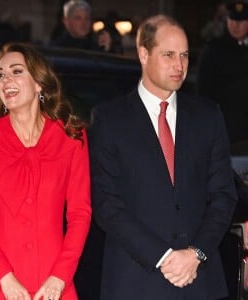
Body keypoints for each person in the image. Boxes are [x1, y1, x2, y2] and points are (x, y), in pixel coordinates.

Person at [89, 14, 237, 300]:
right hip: (135, 282)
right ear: (143, 54)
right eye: (168, 55)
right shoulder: (109, 120)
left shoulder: (208, 116)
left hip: (201, 282)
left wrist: (196, 253)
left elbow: (223, 195)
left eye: (184, 56)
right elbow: (107, 204)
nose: (179, 66)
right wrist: (164, 257)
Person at [0, 42, 91, 300]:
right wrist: (4, 278)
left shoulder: (71, 136)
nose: (6, 79)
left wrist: (60, 277)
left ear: (39, 83)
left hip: (55, 287)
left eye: (16, 71)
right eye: (0, 75)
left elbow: (80, 213)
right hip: (0, 286)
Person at [196, 1, 248, 147]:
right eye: (232, 20)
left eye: (242, 20)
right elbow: (204, 93)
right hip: (226, 133)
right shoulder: (214, 50)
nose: (236, 25)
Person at [50, 0, 116, 53]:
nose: (83, 23)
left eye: (87, 18)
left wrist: (107, 50)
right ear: (66, 21)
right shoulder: (56, 50)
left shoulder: (96, 48)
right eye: (78, 18)